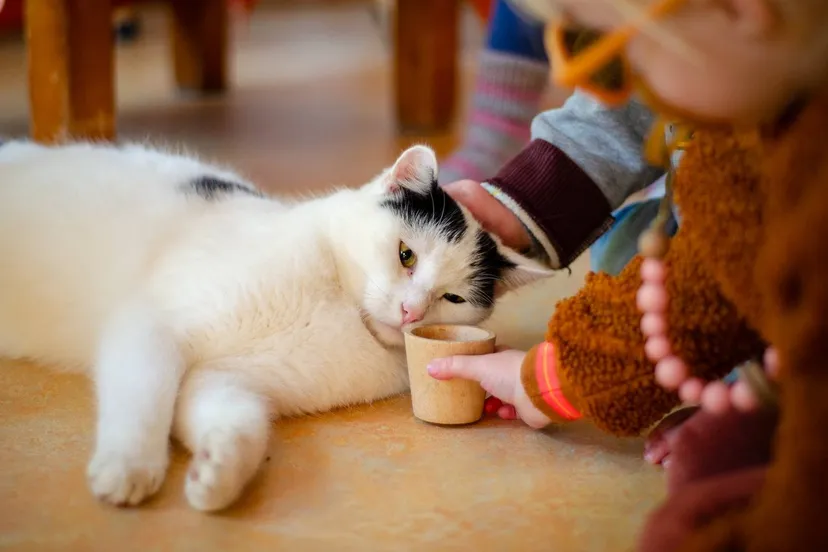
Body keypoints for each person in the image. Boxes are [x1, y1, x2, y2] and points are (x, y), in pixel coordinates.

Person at [433, 0, 828, 548]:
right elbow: (618, 119)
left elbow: (701, 290)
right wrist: (519, 206)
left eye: (614, 50)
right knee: (629, 246)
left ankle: (759, 392)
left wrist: (546, 380)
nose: (603, 83)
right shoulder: (741, 69)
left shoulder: (789, 179)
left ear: (739, 9)